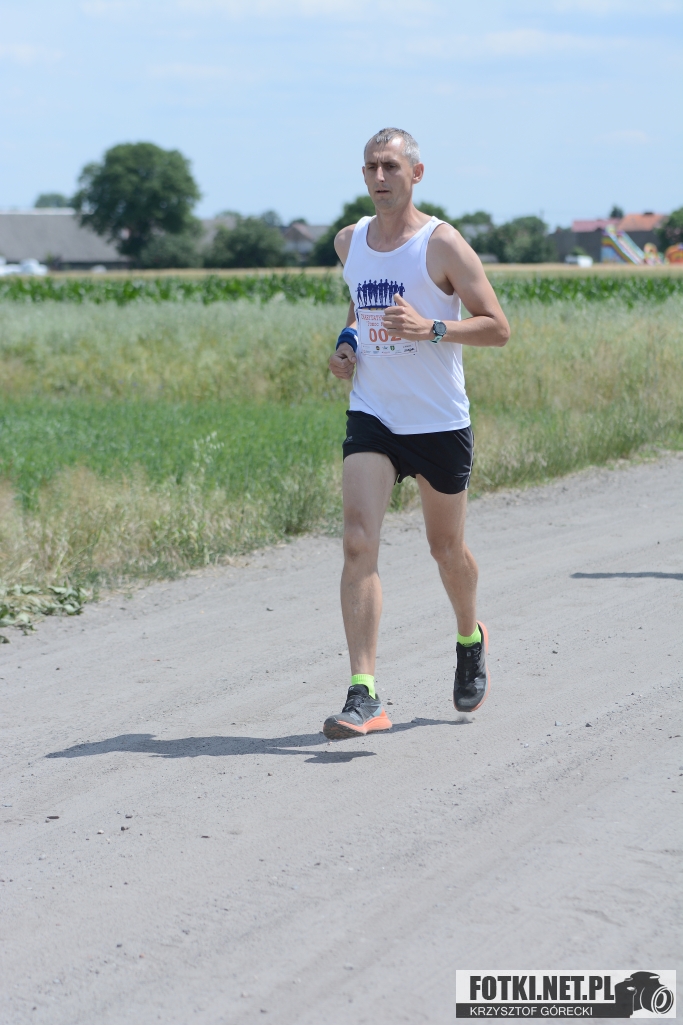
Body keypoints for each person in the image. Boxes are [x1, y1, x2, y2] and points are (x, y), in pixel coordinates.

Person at [322, 127, 510, 741]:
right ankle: (364, 694)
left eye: (391, 167)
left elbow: (497, 327)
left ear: (416, 173)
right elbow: (358, 309)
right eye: (370, 168)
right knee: (358, 542)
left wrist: (432, 329)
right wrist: (347, 345)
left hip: (438, 420)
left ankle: (469, 637)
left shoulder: (442, 244)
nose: (379, 178)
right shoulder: (349, 242)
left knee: (445, 550)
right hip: (373, 413)